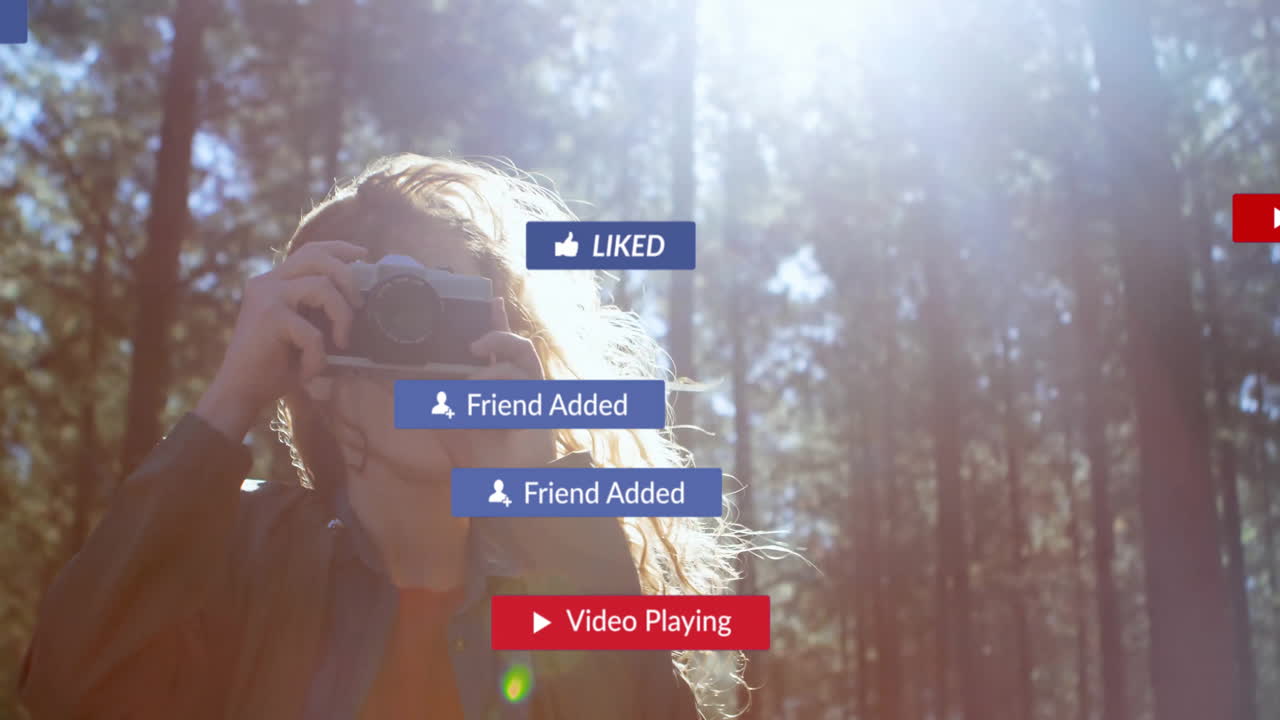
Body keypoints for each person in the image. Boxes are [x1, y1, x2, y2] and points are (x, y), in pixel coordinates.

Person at [19, 155, 745, 719]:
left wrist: (543, 500)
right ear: (316, 364)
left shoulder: (555, 573)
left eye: (449, 315)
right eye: (394, 315)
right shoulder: (239, 557)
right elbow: (68, 687)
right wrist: (230, 400)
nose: (427, 358)